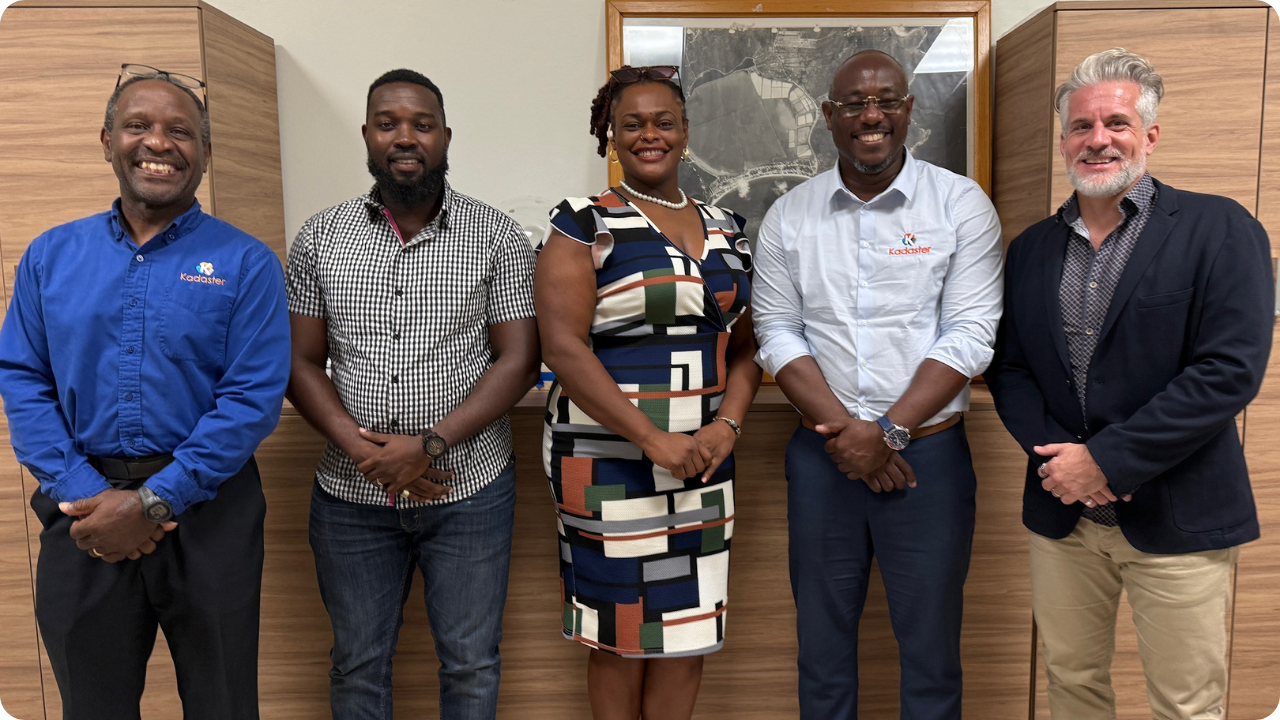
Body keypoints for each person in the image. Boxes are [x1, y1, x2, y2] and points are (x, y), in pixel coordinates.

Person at [986, 48, 1273, 720]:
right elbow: (1011, 368)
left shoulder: (1220, 228)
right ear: (1064, 141)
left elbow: (1228, 371)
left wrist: (1106, 462)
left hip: (1179, 510)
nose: (1098, 139)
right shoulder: (1031, 249)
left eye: (1116, 123)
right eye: (1081, 126)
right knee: (1071, 684)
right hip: (1063, 515)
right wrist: (1064, 465)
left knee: (1186, 703)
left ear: (1150, 135)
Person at [0, 65, 290, 719]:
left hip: (210, 513)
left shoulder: (247, 264)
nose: (159, 142)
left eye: (180, 131)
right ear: (108, 141)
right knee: (92, 705)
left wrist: (154, 503)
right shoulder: (50, 256)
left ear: (205, 153)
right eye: (138, 125)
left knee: (223, 703)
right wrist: (87, 496)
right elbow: (23, 378)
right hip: (83, 515)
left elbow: (251, 398)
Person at [751, 50, 1004, 719]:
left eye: (887, 101)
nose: (872, 116)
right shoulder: (789, 216)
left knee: (931, 655)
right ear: (828, 116)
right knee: (822, 651)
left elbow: (971, 333)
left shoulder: (959, 205)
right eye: (855, 104)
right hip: (823, 460)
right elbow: (776, 333)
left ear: (908, 110)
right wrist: (850, 436)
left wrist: (888, 432)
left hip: (928, 460)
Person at [285, 68, 539, 720]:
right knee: (357, 664)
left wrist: (428, 446)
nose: (405, 137)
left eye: (422, 125)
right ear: (366, 135)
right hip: (351, 494)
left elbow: (518, 360)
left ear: (446, 136)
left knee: (471, 663)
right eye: (388, 123)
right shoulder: (319, 237)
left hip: (470, 490)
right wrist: (366, 453)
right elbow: (300, 360)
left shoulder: (498, 236)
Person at [534, 65, 761, 720]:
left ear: (686, 132)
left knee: (688, 628)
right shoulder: (583, 223)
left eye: (664, 121)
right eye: (631, 123)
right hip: (607, 462)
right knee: (620, 632)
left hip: (703, 460)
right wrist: (651, 439)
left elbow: (748, 346)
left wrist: (728, 426)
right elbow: (563, 348)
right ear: (610, 135)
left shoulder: (729, 227)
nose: (649, 134)